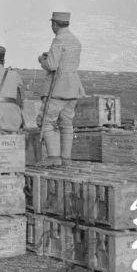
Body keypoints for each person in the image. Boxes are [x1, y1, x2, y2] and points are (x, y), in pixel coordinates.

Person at [37, 11, 85, 166]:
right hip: (73, 88)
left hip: (57, 88)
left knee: (47, 121)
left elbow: (51, 65)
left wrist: (42, 59)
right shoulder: (76, 41)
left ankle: (53, 157)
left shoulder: (58, 39)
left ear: (55, 24)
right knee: (66, 123)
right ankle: (66, 158)